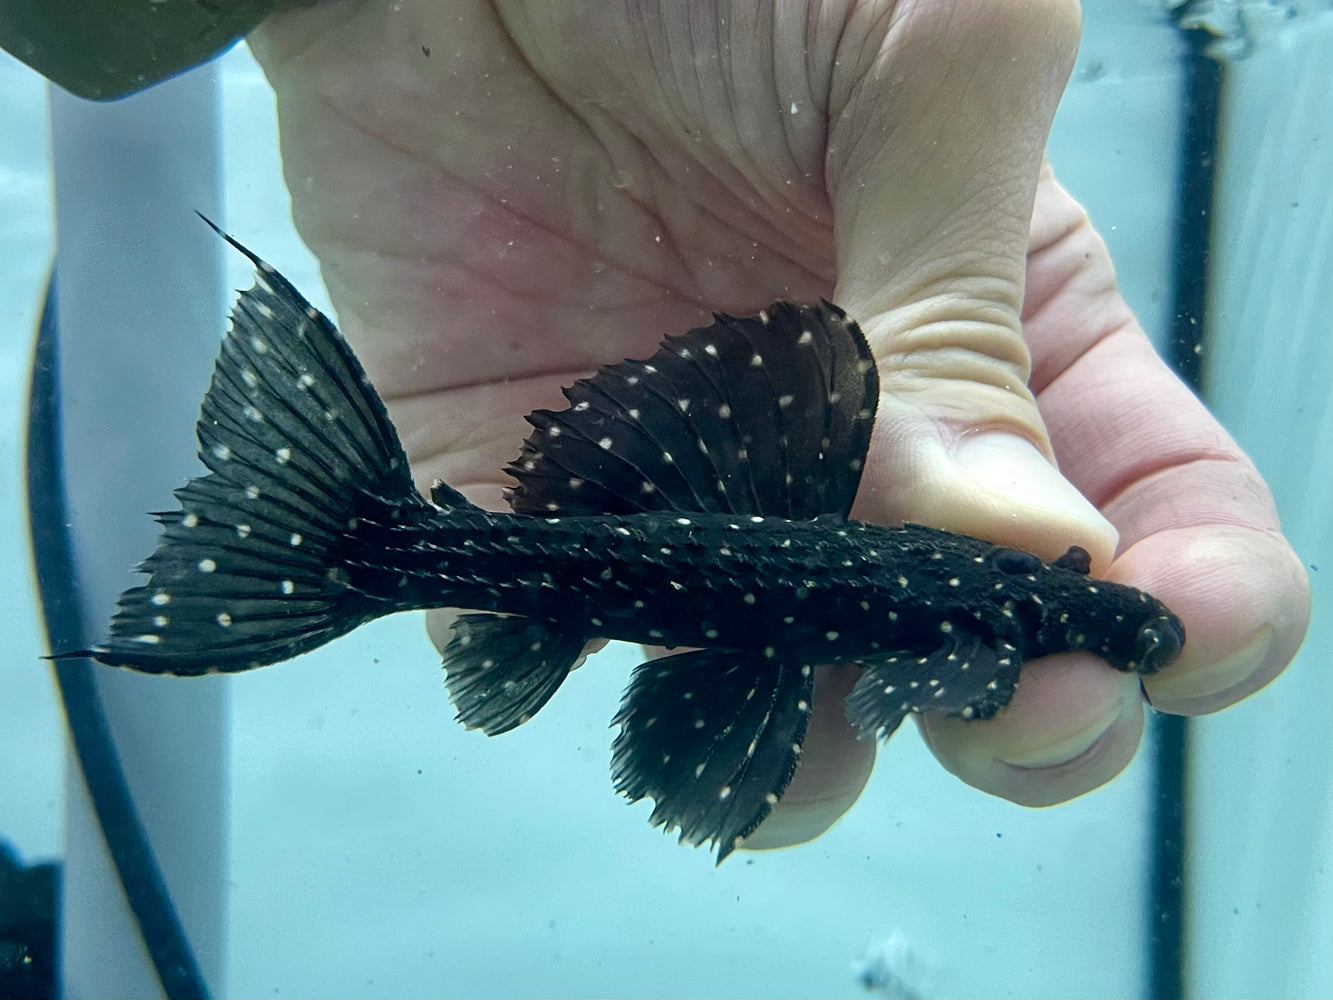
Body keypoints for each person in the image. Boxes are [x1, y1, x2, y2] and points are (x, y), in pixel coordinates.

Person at [16, 0, 1314, 850]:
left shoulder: (992, 610)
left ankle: (342, 552)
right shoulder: (991, 610)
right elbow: (926, 667)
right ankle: (347, 553)